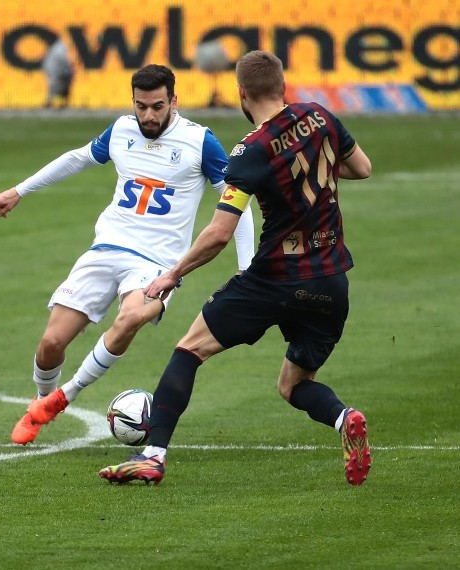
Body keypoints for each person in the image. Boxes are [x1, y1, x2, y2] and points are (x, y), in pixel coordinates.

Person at [98, 50, 373, 486]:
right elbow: (362, 168)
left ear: (241, 94)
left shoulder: (251, 150)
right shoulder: (320, 116)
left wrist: (172, 274)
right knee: (293, 384)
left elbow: (218, 234)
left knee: (189, 350)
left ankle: (153, 456)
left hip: (275, 278)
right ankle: (344, 418)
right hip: (331, 280)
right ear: (283, 85)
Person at [0, 64, 256, 446]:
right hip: (106, 250)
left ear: (174, 102)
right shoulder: (121, 130)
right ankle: (40, 404)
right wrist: (20, 190)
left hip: (158, 265)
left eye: (157, 106)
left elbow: (239, 204)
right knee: (50, 344)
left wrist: (246, 266)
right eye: (141, 106)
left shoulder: (200, 142)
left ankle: (67, 395)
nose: (148, 115)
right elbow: (78, 158)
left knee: (132, 315)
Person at [42, 37, 74, 109]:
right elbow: (62, 59)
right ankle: (49, 103)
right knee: (55, 87)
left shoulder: (58, 48)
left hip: (57, 70)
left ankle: (63, 103)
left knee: (63, 87)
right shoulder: (60, 48)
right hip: (56, 71)